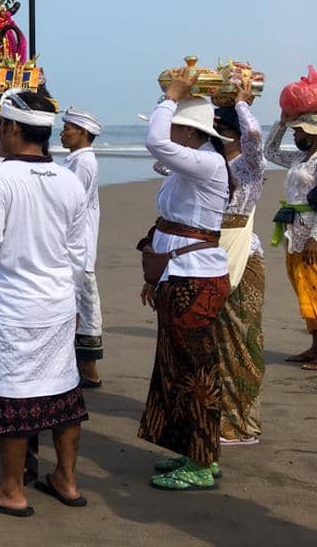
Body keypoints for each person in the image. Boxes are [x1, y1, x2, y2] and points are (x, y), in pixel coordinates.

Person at [0, 90, 90, 517]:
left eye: (3, 127)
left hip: (13, 304)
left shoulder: (0, 177)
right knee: (63, 389)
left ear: (13, 128)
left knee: (12, 391)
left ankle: (11, 488)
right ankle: (65, 479)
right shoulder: (68, 178)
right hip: (56, 301)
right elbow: (77, 249)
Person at [138, 69, 231, 490]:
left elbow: (156, 142)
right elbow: (161, 153)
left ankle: (200, 460)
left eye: (177, 125)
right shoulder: (191, 166)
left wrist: (171, 97)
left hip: (195, 280)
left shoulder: (207, 163)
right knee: (175, 367)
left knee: (193, 371)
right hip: (180, 275)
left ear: (189, 133)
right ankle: (192, 450)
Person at [211, 85, 268, 446]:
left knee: (241, 339)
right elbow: (162, 159)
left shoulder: (248, 164)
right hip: (213, 251)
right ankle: (222, 414)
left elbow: (255, 135)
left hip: (244, 254)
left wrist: (242, 104)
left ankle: (243, 422)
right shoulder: (210, 164)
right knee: (217, 340)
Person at [265, 110, 317, 369]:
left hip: (311, 232)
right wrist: (281, 124)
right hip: (294, 230)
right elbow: (270, 152)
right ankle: (315, 346)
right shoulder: (300, 158)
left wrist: (315, 238)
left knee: (315, 287)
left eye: (300, 131)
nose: (296, 135)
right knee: (303, 286)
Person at [60, 108, 104, 388]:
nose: (63, 132)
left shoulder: (83, 162)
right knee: (83, 302)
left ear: (84, 133)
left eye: (69, 128)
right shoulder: (78, 160)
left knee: (84, 303)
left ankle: (88, 367)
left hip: (79, 245)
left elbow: (71, 204)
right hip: (80, 244)